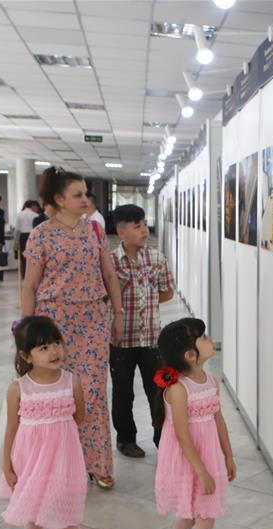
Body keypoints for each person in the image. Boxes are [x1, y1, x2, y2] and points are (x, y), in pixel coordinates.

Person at [21, 166, 124, 490]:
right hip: (54, 324)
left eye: (85, 194)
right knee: (58, 393)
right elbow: (30, 286)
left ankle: (98, 463)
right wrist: (28, 331)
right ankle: (62, 464)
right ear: (59, 199)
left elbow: (109, 276)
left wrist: (118, 314)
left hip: (93, 320)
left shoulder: (94, 230)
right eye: (77, 194)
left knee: (92, 392)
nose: (84, 199)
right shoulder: (41, 234)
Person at [0, 316, 97, 529]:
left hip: (63, 460)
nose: (54, 351)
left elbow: (80, 418)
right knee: (31, 510)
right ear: (26, 356)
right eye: (43, 348)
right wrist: (7, 465)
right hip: (29, 459)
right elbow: (11, 430)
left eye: (56, 343)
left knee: (66, 520)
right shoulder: (19, 388)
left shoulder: (71, 381)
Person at [153, 318, 236, 529]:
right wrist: (201, 471)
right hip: (188, 458)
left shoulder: (211, 381)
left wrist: (227, 454)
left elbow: (218, 419)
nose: (210, 338)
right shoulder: (178, 389)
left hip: (208, 455)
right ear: (190, 354)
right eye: (203, 337)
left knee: (194, 513)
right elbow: (182, 434)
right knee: (203, 518)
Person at [109, 204, 175, 458]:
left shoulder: (157, 258)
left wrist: (145, 300)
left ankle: (163, 438)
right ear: (122, 231)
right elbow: (105, 295)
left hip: (151, 339)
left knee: (158, 391)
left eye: (145, 225)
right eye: (137, 226)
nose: (144, 231)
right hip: (120, 340)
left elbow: (167, 291)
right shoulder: (111, 261)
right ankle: (126, 439)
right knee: (123, 393)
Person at [16, 200, 41, 279]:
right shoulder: (36, 215)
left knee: (23, 256)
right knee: (32, 255)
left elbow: (17, 229)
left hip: (23, 236)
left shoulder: (19, 214)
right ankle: (32, 273)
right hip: (32, 236)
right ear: (33, 206)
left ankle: (24, 274)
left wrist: (16, 240)